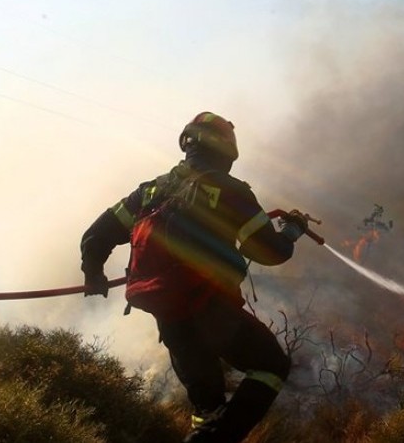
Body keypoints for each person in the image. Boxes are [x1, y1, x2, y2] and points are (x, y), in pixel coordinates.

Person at [80, 111, 307, 442]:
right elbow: (270, 252)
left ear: (188, 143)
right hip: (209, 308)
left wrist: (93, 273)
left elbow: (95, 236)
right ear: (227, 152)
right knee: (272, 367)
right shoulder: (230, 190)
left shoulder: (150, 191)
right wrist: (292, 231)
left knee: (207, 410)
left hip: (168, 316)